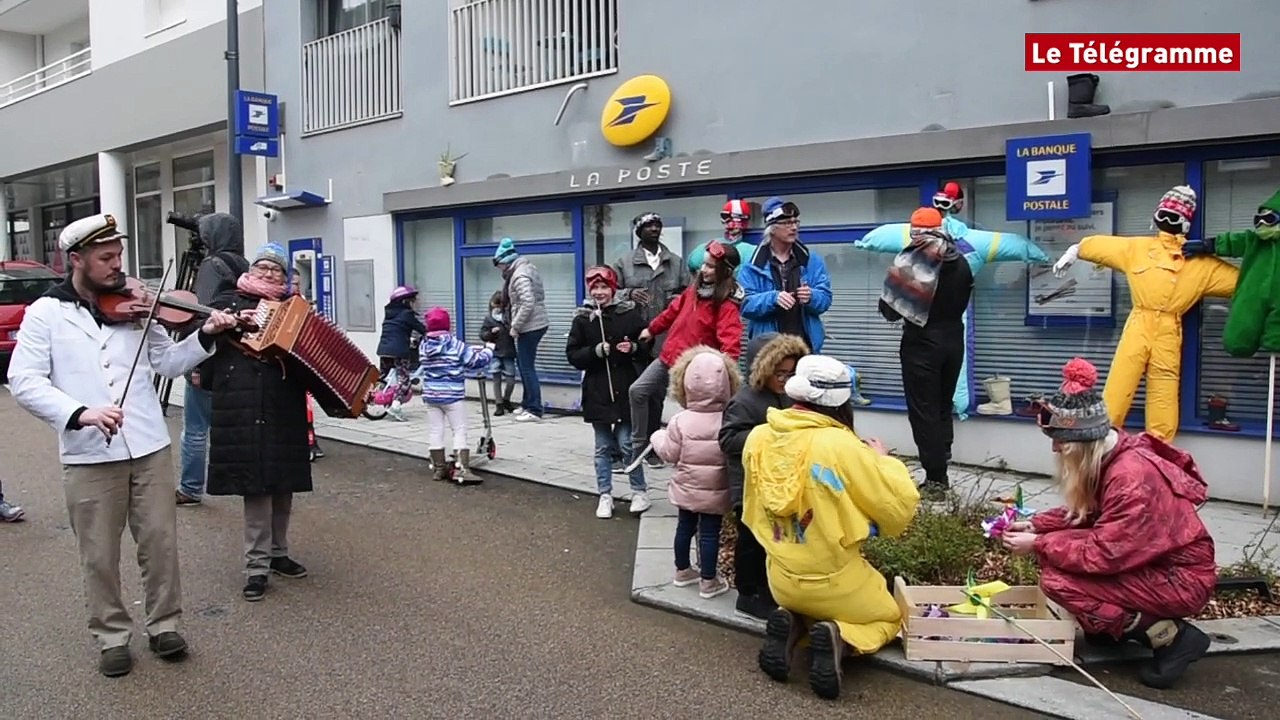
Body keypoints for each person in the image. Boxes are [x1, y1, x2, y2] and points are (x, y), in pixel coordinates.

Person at [8, 213, 239, 676]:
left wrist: (205, 335)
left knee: (160, 542)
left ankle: (164, 624)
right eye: (106, 258)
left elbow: (168, 362)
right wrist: (79, 413)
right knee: (98, 552)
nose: (118, 266)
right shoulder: (46, 314)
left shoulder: (135, 306)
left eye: (119, 255)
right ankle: (111, 635)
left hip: (149, 446)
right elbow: (22, 379)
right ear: (77, 260)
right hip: (89, 453)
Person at [1001, 357, 1216, 690]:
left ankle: (1172, 637)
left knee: (1059, 581)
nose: (1056, 449)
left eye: (1060, 442)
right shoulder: (1114, 455)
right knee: (1061, 562)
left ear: (1082, 442)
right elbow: (1093, 515)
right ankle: (1111, 628)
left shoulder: (1130, 479)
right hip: (1159, 566)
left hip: (1181, 579)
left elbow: (1101, 554)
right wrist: (1038, 526)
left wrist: (1039, 544)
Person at [742, 355, 920, 701]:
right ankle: (840, 637)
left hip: (780, 577)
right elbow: (897, 509)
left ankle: (795, 624)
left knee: (809, 606)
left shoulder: (758, 438)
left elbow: (751, 508)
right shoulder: (842, 446)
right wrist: (884, 461)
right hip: (835, 579)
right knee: (889, 618)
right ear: (841, 400)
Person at [1051, 186, 1237, 442]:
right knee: (1121, 379)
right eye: (1166, 215)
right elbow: (1106, 246)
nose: (1169, 221)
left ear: (1185, 223)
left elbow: (1242, 282)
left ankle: (1159, 446)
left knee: (1165, 387)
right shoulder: (1139, 248)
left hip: (1169, 329)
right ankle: (1102, 438)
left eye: (1175, 217)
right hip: (1140, 321)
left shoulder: (1201, 263)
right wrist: (1076, 251)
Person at [203, 243, 314, 603]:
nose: (268, 273)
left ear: (286, 276)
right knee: (256, 489)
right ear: (252, 269)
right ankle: (256, 566)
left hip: (283, 404)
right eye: (263, 267)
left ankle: (279, 553)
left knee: (283, 484)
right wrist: (228, 325)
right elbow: (203, 342)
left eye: (276, 270)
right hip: (242, 402)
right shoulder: (226, 301)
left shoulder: (295, 309)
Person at [630, 240, 745, 509]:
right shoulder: (693, 291)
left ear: (724, 271)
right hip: (669, 357)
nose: (702, 270)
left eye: (709, 266)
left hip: (695, 372)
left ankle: (689, 468)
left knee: (692, 425)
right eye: (702, 264)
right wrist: (652, 329)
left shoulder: (726, 305)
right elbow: (671, 312)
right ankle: (640, 441)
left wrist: (725, 376)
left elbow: (731, 344)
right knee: (638, 391)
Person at [879, 207, 973, 497]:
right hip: (954, 340)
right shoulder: (961, 260)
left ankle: (935, 480)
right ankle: (942, 460)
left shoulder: (914, 261)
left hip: (922, 344)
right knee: (942, 406)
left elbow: (889, 311)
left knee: (924, 412)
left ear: (915, 232)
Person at [718, 332, 810, 620]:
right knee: (751, 542)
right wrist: (769, 436)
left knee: (771, 542)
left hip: (774, 486)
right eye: (779, 373)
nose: (785, 379)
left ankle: (768, 588)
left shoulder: (787, 397)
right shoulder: (745, 401)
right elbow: (728, 440)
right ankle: (748, 594)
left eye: (792, 373)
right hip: (749, 487)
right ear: (763, 370)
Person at [652, 345, 741, 599]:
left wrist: (658, 436)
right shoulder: (728, 420)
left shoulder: (680, 420)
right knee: (710, 533)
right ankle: (708, 581)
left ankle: (682, 571)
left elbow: (669, 454)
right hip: (715, 490)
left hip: (687, 487)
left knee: (684, 527)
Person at [565, 266, 651, 518]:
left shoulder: (629, 314)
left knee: (627, 443)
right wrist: (594, 352)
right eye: (595, 288)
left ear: (613, 289)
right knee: (602, 447)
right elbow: (572, 354)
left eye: (604, 287)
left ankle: (639, 491)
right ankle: (605, 494)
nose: (599, 292)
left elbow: (647, 341)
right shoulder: (582, 319)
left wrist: (634, 347)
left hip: (625, 389)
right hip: (597, 392)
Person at [177, 213, 249, 505]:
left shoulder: (211, 265)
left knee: (195, 428)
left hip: (210, 357)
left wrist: (197, 364)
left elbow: (203, 316)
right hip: (237, 356)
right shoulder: (244, 265)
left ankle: (190, 487)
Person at [613, 212, 687, 468]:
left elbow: (688, 295)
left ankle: (653, 446)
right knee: (631, 392)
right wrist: (630, 293)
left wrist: (676, 300)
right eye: (648, 226)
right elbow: (610, 294)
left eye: (658, 225)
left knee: (655, 395)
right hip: (632, 336)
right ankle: (631, 445)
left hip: (663, 338)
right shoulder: (624, 262)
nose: (654, 229)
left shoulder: (676, 263)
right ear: (638, 232)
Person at [739, 197, 833, 352]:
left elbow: (826, 298)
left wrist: (812, 297)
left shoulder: (811, 260)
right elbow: (744, 304)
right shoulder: (753, 264)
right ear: (772, 228)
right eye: (787, 223)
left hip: (805, 347)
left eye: (796, 222)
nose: (794, 227)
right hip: (768, 350)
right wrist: (773, 298)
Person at [419, 307, 494, 483]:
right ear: (448, 325)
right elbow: (475, 361)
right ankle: (462, 468)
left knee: (435, 430)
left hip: (431, 395)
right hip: (452, 395)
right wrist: (489, 349)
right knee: (459, 430)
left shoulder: (424, 345)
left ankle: (439, 468)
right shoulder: (455, 344)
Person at [494, 237, 549, 421]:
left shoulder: (519, 275)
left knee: (526, 367)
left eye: (499, 265)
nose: (499, 269)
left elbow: (527, 303)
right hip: (535, 323)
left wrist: (515, 326)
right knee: (524, 365)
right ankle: (527, 404)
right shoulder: (527, 268)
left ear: (505, 262)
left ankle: (534, 409)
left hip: (530, 325)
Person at [375, 284, 426, 421]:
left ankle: (370, 396)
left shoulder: (390, 314)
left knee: (383, 375)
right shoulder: (407, 314)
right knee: (404, 381)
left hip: (384, 349)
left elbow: (396, 330)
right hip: (399, 351)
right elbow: (421, 329)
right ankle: (396, 406)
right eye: (413, 300)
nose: (415, 303)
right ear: (406, 301)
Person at [686, 199, 758, 276]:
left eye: (728, 218)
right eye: (726, 218)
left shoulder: (704, 248)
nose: (729, 224)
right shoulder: (752, 252)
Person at [480, 290, 518, 416]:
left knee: (511, 380)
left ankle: (507, 399)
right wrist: (491, 333)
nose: (496, 309)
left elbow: (514, 329)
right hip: (495, 353)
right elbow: (483, 335)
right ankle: (499, 403)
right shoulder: (488, 318)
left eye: (499, 306)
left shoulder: (508, 317)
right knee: (496, 379)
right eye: (494, 306)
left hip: (508, 353)